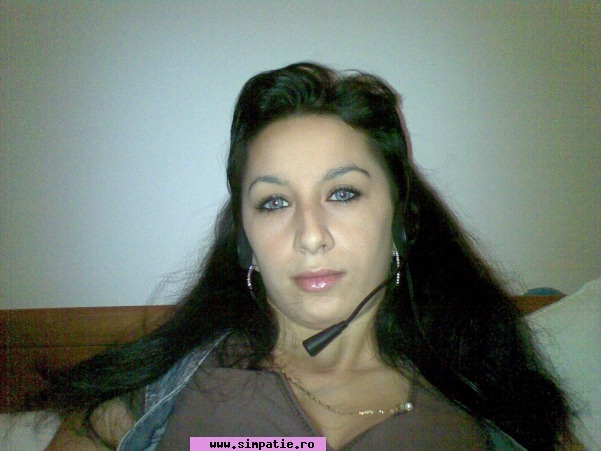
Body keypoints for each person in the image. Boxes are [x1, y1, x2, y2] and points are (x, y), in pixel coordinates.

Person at [35, 62, 573, 450]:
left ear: (402, 220)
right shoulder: (158, 392)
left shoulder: (495, 398)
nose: (310, 236)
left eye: (343, 193)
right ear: (245, 238)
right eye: (274, 202)